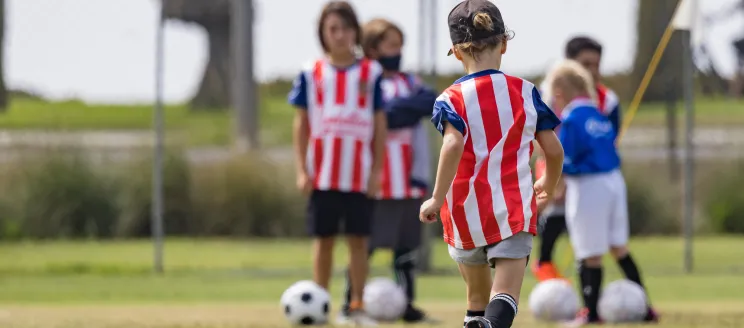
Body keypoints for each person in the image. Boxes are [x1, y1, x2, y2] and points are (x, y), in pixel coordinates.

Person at [418, 1, 565, 327]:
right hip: (512, 209)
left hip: (464, 213)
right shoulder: (526, 93)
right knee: (505, 295)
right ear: (504, 43)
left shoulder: (450, 99)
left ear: (456, 52)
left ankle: (477, 322)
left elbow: (453, 144)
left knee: (476, 299)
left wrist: (437, 198)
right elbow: (553, 151)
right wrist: (549, 185)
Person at [287, 1, 386, 325]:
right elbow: (301, 124)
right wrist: (302, 169)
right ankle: (319, 302)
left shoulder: (371, 73)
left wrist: (375, 172)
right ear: (323, 34)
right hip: (324, 174)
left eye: (345, 28)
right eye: (333, 29)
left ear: (355, 32)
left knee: (359, 241)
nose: (340, 35)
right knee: (324, 240)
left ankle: (357, 305)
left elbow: (379, 124)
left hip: (358, 175)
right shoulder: (310, 72)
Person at [544, 59, 658, 326]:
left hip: (589, 185)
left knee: (588, 251)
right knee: (619, 247)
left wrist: (553, 186)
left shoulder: (571, 119)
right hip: (614, 181)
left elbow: (562, 158)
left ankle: (591, 314)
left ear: (559, 93)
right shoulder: (598, 116)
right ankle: (646, 308)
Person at [339, 18, 438, 324]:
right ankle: (350, 301)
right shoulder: (364, 79)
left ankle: (406, 302)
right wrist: (396, 112)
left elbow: (429, 101)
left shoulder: (409, 81)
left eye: (400, 46)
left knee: (407, 247)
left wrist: (397, 111)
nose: (397, 52)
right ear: (372, 48)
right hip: (376, 180)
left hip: (410, 179)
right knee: (365, 245)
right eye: (391, 46)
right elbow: (379, 117)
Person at [531, 36, 621, 282]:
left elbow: (610, 139)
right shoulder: (547, 94)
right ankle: (545, 264)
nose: (592, 71)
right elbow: (541, 137)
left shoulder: (607, 100)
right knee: (554, 213)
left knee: (588, 235)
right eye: (586, 64)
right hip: (558, 170)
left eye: (596, 64)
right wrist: (555, 176)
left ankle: (586, 283)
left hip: (590, 175)